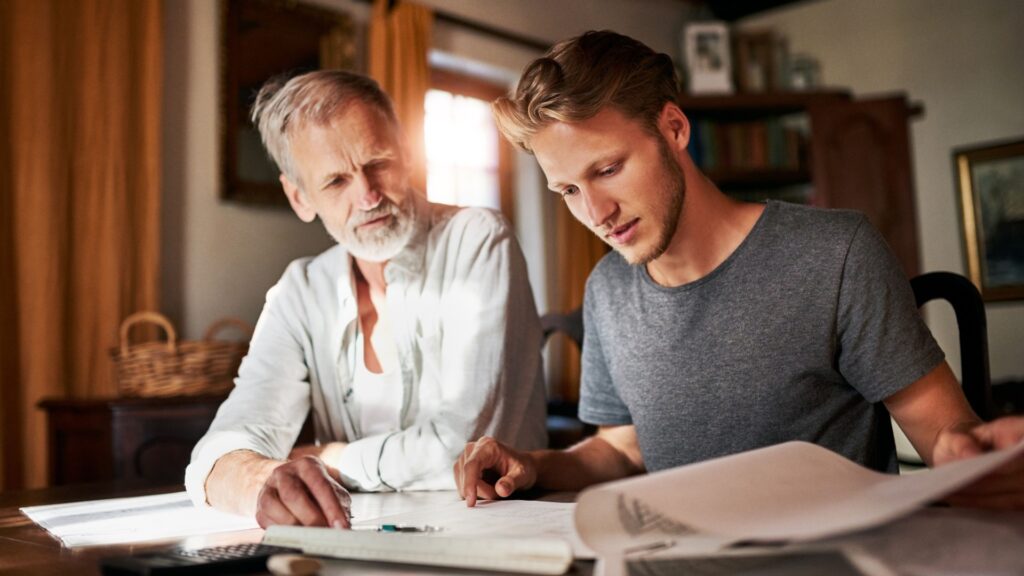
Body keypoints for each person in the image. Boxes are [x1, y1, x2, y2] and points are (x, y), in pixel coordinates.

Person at [454, 30, 1024, 509]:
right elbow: (624, 449)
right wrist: (531, 465)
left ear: (674, 129)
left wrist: (964, 451)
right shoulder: (606, 291)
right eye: (569, 190)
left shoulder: (835, 254)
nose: (595, 213)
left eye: (607, 169)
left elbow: (942, 428)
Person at [185, 70, 548, 528]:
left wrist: (329, 459)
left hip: (502, 532)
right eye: (336, 182)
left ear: (409, 155)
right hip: (363, 542)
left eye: (378, 163)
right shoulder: (301, 290)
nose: (368, 195)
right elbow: (214, 457)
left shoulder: (477, 240)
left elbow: (461, 451)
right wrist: (262, 478)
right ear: (299, 197)